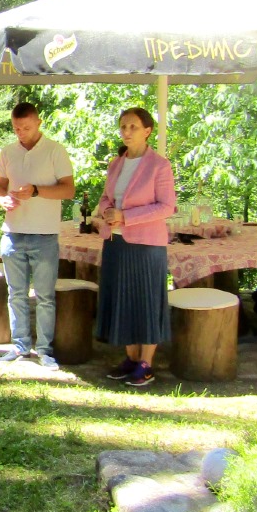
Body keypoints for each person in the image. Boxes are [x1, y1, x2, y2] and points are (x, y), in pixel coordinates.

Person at [94, 107, 176, 388]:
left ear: (147, 130)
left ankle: (146, 364)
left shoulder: (159, 165)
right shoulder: (116, 163)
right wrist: (107, 211)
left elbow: (166, 206)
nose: (126, 132)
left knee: (146, 302)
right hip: (115, 242)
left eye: (132, 127)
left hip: (146, 246)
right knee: (121, 299)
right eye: (123, 127)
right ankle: (130, 358)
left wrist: (126, 217)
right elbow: (106, 197)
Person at [0, 103, 75, 370]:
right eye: (16, 128)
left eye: (26, 128)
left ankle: (44, 349)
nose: (21, 133)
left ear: (38, 123)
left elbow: (68, 190)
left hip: (44, 234)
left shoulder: (55, 150)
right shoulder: (7, 152)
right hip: (13, 233)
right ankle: (19, 346)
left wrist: (37, 191)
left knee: (44, 296)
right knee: (15, 293)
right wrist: (2, 200)